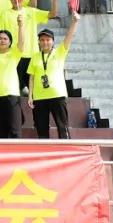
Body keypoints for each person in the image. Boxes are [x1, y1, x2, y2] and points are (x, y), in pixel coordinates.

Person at [28, 11, 82, 139]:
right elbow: (32, 77)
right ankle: (44, 149)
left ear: (53, 41)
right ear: (39, 42)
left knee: (62, 126)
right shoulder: (35, 57)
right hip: (39, 97)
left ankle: (66, 148)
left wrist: (75, 22)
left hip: (57, 95)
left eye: (48, 40)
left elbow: (69, 37)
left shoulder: (59, 52)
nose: (45, 42)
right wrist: (30, 95)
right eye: (42, 40)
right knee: (41, 128)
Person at [0, 14, 27, 139]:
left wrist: (21, 25)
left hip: (11, 96)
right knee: (0, 131)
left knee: (15, 130)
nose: (2, 41)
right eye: (0, 38)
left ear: (10, 42)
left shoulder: (14, 54)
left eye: (5, 39)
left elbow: (21, 43)